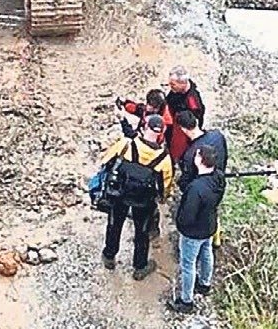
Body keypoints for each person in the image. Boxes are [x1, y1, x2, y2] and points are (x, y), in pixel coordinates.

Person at [98, 114, 173, 280]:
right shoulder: (164, 159)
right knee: (142, 232)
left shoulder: (126, 144)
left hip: (120, 194)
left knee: (114, 223)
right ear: (161, 134)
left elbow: (106, 160)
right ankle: (140, 267)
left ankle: (109, 256)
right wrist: (162, 198)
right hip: (144, 201)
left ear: (144, 128)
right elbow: (165, 185)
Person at [171, 144, 223, 314]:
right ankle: (204, 283)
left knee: (188, 265)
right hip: (209, 225)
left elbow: (187, 216)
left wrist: (180, 224)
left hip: (193, 233)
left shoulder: (196, 188)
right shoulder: (219, 178)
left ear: (200, 160)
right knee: (207, 253)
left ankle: (186, 301)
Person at [176, 111, 229, 195]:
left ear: (183, 129)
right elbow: (225, 156)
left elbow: (187, 180)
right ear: (196, 121)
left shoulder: (190, 155)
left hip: (200, 190)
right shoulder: (217, 136)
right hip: (219, 182)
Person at [163, 68, 206, 163]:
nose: (170, 86)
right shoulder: (177, 90)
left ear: (183, 84)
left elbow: (194, 125)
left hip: (181, 132)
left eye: (173, 84)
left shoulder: (192, 102)